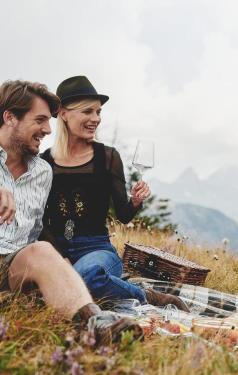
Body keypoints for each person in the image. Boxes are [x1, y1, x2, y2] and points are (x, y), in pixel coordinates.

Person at [0, 79, 143, 345]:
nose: (47, 128)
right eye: (41, 120)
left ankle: (96, 326)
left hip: (50, 255)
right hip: (50, 252)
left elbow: (38, 229)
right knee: (67, 273)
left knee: (55, 262)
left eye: (98, 112)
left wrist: (56, 263)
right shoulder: (48, 161)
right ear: (10, 117)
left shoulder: (41, 170)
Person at [40, 76, 187, 311]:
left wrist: (136, 201)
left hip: (97, 249)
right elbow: (40, 219)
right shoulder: (45, 161)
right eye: (87, 111)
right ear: (64, 114)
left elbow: (124, 216)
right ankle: (111, 287)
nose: (96, 119)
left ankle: (147, 296)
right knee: (46, 287)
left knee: (82, 277)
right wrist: (59, 258)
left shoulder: (107, 157)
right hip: (56, 249)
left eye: (98, 112)